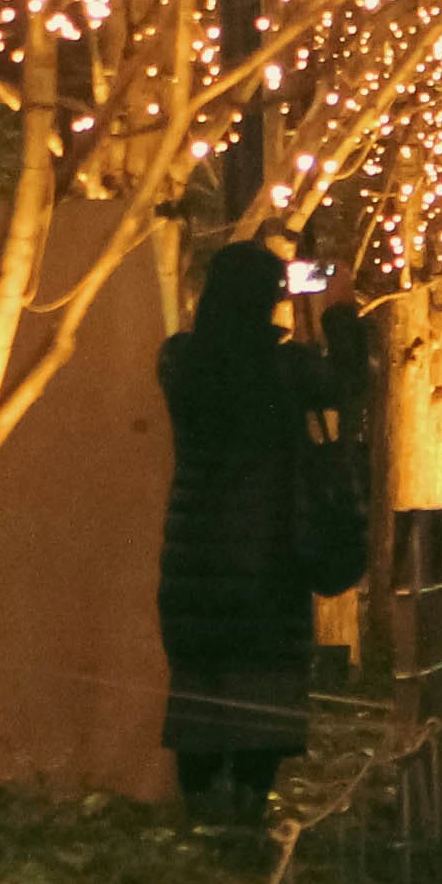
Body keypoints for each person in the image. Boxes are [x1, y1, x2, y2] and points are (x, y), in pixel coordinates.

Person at [156, 239, 325, 826]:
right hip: (267, 561)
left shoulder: (183, 363)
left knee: (199, 700)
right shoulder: (284, 368)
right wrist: (329, 309)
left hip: (195, 563)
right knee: (263, 707)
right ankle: (246, 829)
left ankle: (200, 828)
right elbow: (345, 379)